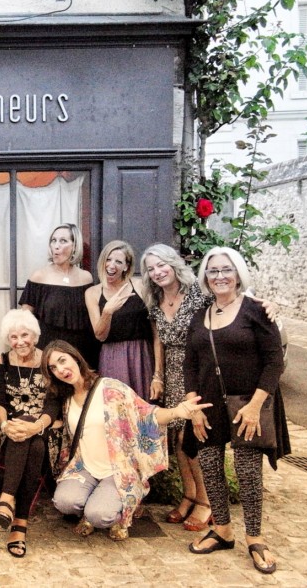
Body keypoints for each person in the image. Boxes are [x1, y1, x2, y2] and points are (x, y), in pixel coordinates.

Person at [183, 247, 289, 575]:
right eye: (213, 270)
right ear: (205, 276)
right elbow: (190, 363)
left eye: (226, 269)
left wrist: (256, 406)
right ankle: (223, 531)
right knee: (210, 465)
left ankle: (255, 538)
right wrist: (193, 407)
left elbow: (274, 362)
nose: (220, 276)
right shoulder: (200, 314)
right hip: (208, 404)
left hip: (247, 404)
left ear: (238, 273)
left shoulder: (256, 310)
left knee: (247, 471)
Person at [44, 340, 210, 541]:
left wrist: (176, 412)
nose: (61, 370)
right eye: (53, 367)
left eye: (63, 360)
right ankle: (97, 505)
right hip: (85, 467)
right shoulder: (66, 398)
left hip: (117, 470)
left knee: (99, 516)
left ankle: (115, 514)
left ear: (76, 358)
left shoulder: (110, 388)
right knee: (64, 502)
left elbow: (145, 414)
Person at [141, 243, 215, 531]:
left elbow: (231, 304)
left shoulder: (199, 292)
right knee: (177, 439)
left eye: (162, 265)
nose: (158, 272)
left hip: (198, 370)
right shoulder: (155, 299)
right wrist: (157, 376)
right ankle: (189, 495)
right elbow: (158, 339)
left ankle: (206, 502)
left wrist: (265, 305)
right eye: (151, 268)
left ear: (174, 264)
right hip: (172, 371)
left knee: (191, 437)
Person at [0, 309, 60, 558]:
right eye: (13, 337)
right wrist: (5, 425)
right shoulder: (2, 361)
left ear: (35, 335)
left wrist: (35, 426)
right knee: (32, 445)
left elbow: (53, 404)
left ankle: (6, 500)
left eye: (24, 335)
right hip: (9, 430)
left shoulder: (48, 361)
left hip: (43, 427)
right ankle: (20, 524)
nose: (19, 342)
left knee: (35, 441)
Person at [18, 223, 99, 369]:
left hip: (81, 351)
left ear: (75, 246)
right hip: (49, 351)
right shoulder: (39, 276)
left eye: (63, 241)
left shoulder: (86, 278)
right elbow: (25, 321)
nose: (56, 246)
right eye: (53, 241)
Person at [85, 240, 153, 400]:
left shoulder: (140, 286)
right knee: (116, 405)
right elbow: (100, 335)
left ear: (126, 267)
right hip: (112, 357)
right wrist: (107, 311)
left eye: (118, 261)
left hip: (140, 355)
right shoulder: (93, 293)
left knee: (144, 406)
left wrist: (158, 375)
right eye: (108, 259)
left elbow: (156, 331)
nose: (111, 265)